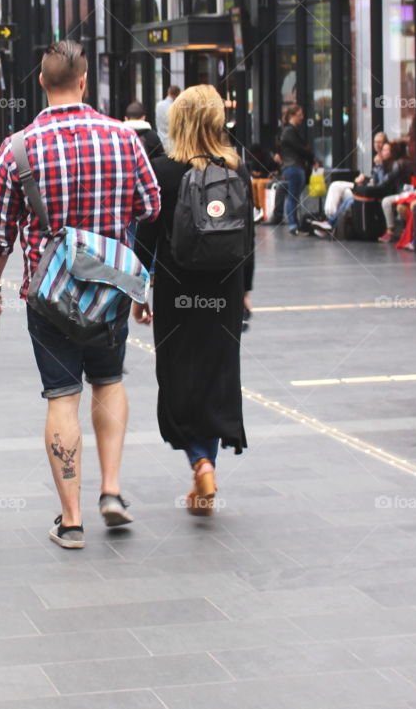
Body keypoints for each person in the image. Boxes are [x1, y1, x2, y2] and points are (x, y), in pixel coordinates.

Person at [0, 41, 160, 549]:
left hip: (49, 296)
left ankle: (73, 519)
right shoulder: (124, 139)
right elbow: (150, 205)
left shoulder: (18, 148)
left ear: (41, 82)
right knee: (108, 380)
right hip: (110, 290)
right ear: (84, 81)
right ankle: (112, 490)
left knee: (62, 397)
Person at [134, 85, 252, 518]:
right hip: (224, 291)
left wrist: (138, 292)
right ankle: (208, 467)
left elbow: (146, 237)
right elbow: (248, 238)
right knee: (217, 379)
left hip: (177, 290)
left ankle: (199, 461)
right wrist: (245, 292)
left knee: (179, 379)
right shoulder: (236, 169)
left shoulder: (163, 171)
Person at [325, 130, 388, 219]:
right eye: (375, 142)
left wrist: (378, 166)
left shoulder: (385, 160)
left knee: (337, 186)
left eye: (380, 142)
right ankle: (331, 217)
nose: (377, 145)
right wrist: (365, 178)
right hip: (365, 187)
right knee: (339, 188)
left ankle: (331, 219)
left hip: (371, 192)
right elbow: (374, 178)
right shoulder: (377, 157)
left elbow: (381, 182)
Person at [277, 104, 314, 235]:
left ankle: (294, 224)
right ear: (293, 116)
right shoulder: (289, 131)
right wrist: (310, 156)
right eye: (300, 115)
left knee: (292, 196)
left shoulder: (288, 131)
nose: (302, 117)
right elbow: (299, 149)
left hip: (292, 167)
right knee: (293, 197)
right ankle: (294, 225)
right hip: (294, 167)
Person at [154, 85, 180, 150]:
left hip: (160, 140)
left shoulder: (158, 104)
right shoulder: (175, 107)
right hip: (173, 143)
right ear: (176, 95)